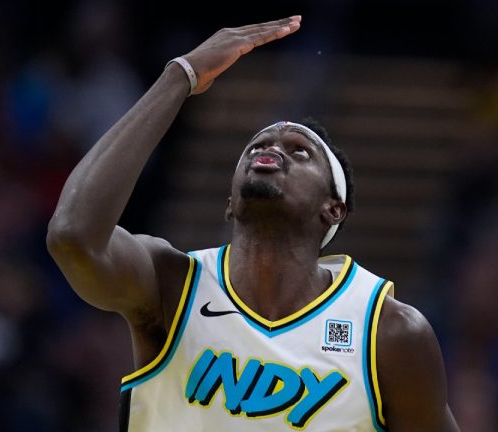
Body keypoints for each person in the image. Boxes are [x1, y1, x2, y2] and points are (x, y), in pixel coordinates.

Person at [47, 15, 459, 431]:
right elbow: (72, 236)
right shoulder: (172, 285)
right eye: (257, 146)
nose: (273, 148)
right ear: (230, 203)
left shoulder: (387, 333)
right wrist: (180, 75)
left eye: (299, 151)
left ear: (333, 208)